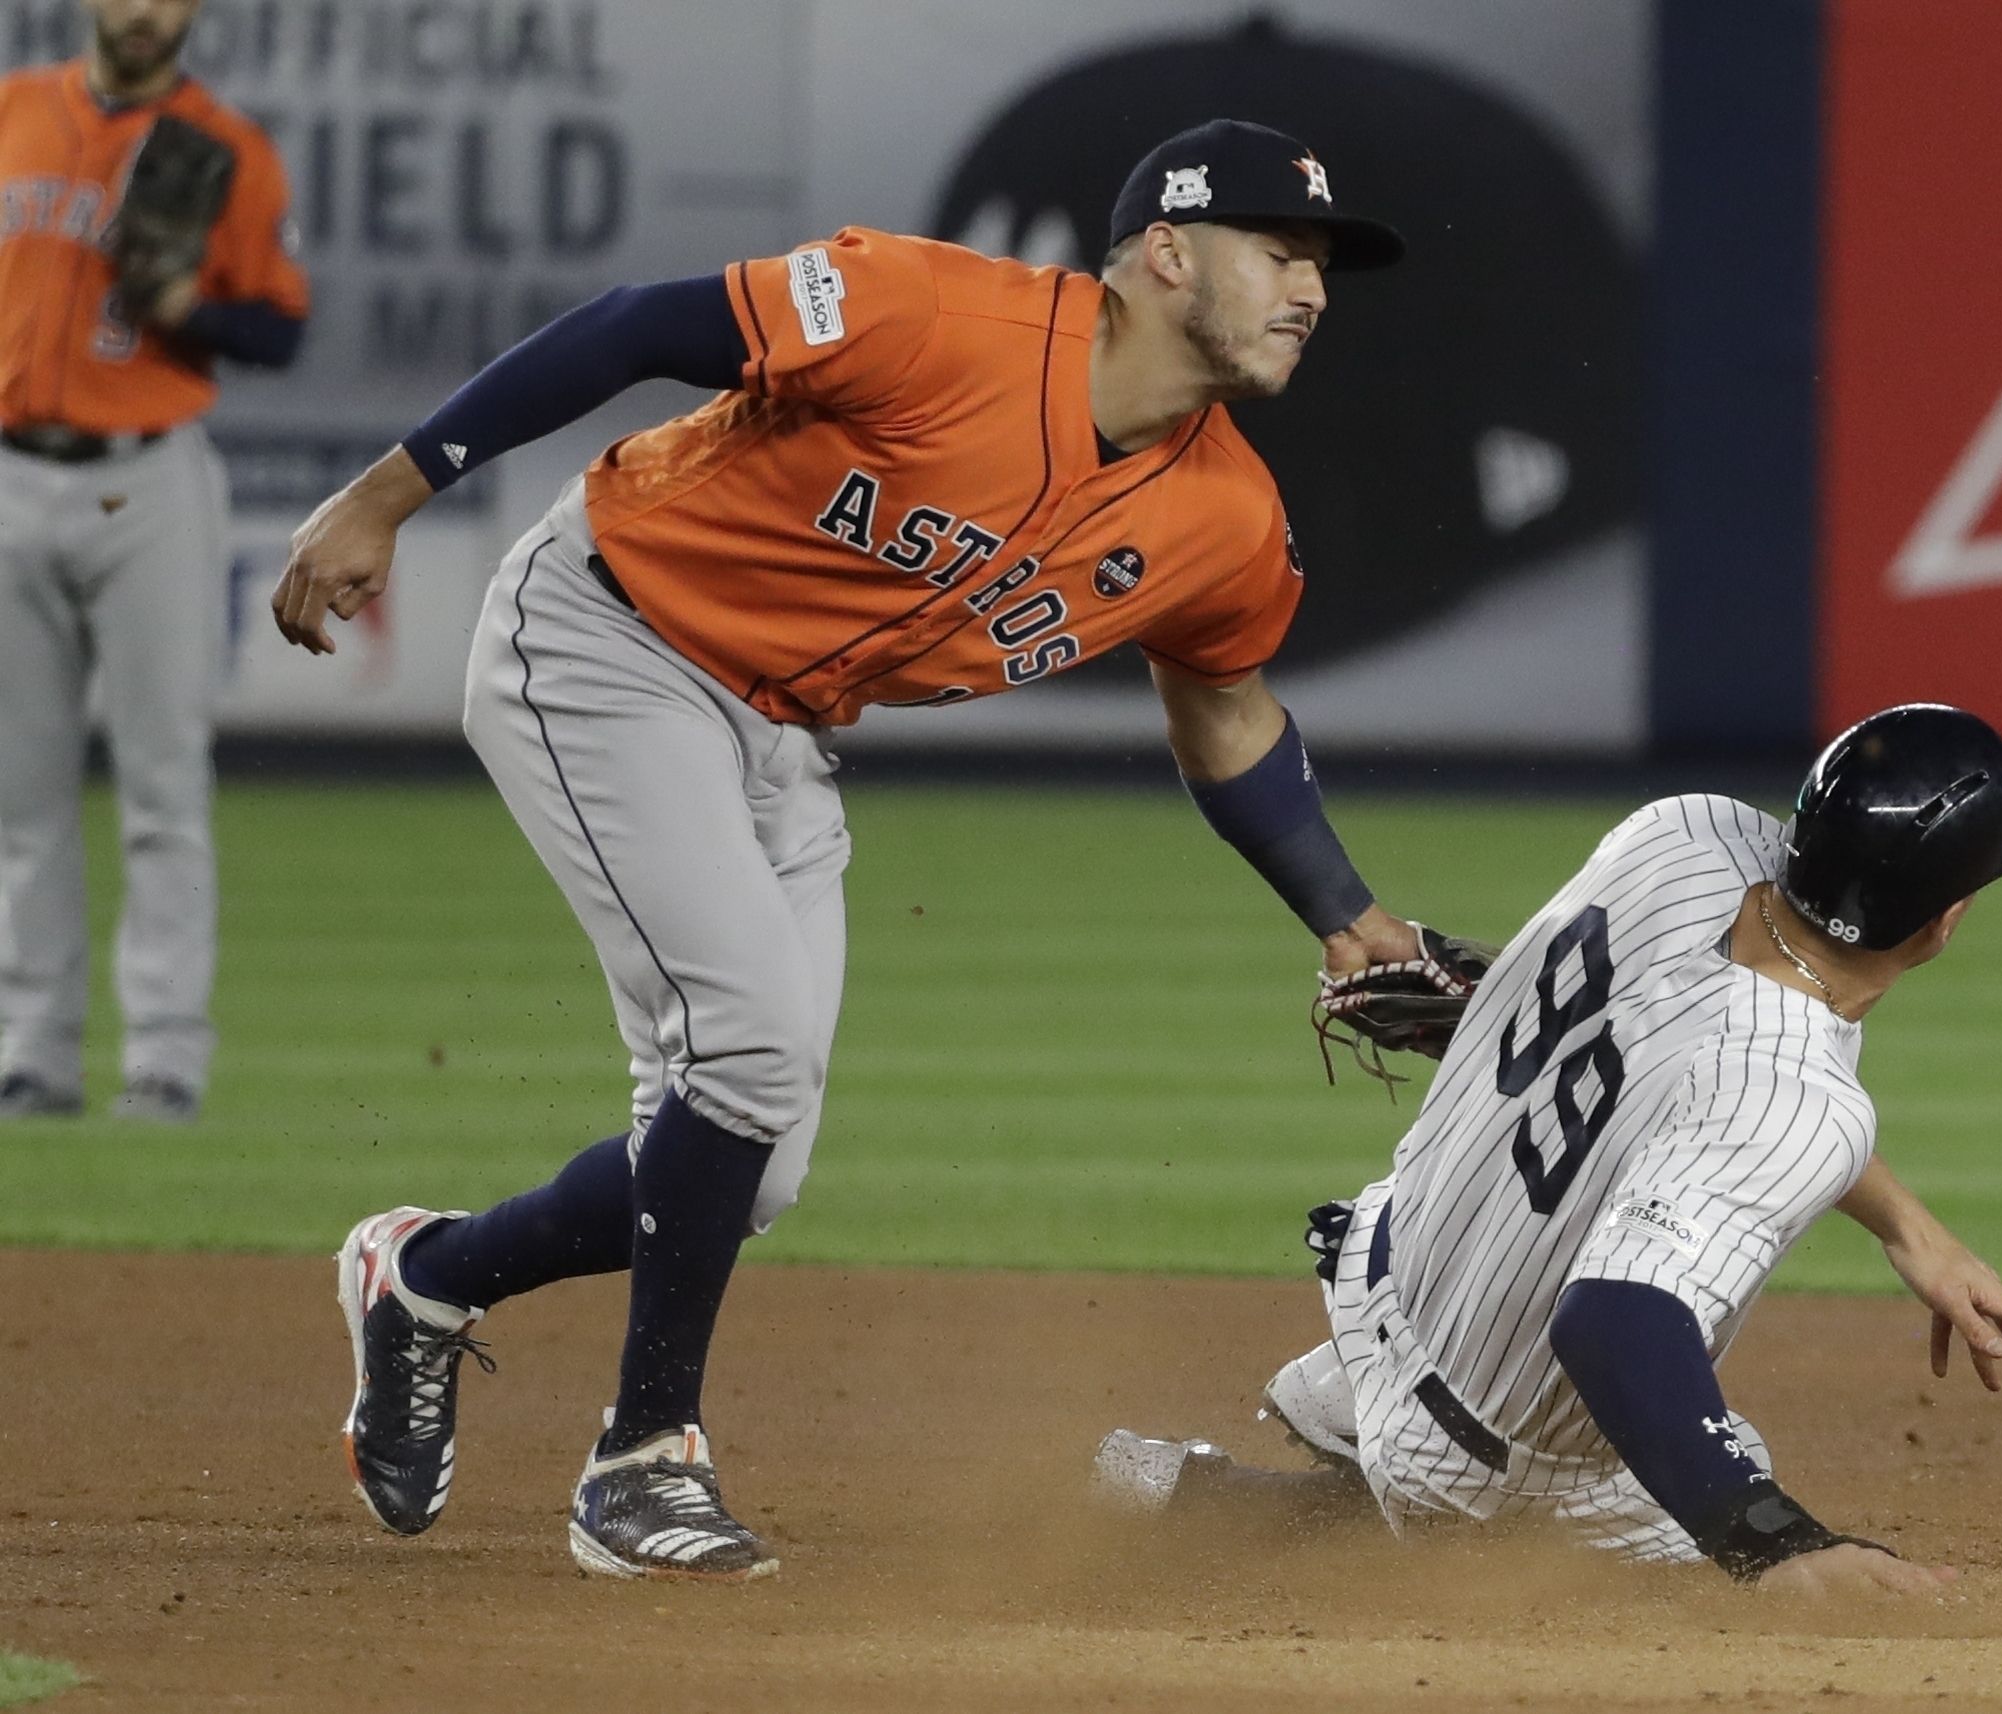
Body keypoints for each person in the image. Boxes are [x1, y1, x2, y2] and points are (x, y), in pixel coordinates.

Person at [280, 118, 1456, 1580]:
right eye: (1280, 251)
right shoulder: (934, 313)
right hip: (606, 636)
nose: (1311, 287)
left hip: (778, 725)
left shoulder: (1221, 516)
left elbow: (1223, 712)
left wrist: (1342, 914)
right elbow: (638, 326)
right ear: (1166, 250)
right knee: (750, 1057)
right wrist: (393, 489)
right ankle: (643, 1462)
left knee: (743, 1167)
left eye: (1323, 264)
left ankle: (427, 1276)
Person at [1095, 704, 2002, 1596]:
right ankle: (1257, 1507)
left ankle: (1155, 1487)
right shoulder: (1798, 1098)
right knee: (1760, 1541)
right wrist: (1773, 1542)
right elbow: (1614, 1323)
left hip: (1384, 1272)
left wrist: (1911, 1229)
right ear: (1944, 919)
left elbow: (1695, 1077)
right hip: (1477, 1452)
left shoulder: (1685, 833)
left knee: (1688, 1450)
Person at [0, 0, 308, 1122]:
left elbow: (282, 327)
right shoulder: (12, 113)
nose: (141, 12)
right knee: (18, 792)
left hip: (152, 480)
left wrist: (188, 304)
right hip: (9, 475)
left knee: (162, 787)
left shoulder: (227, 149)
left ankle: (163, 1060)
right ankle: (30, 1052)